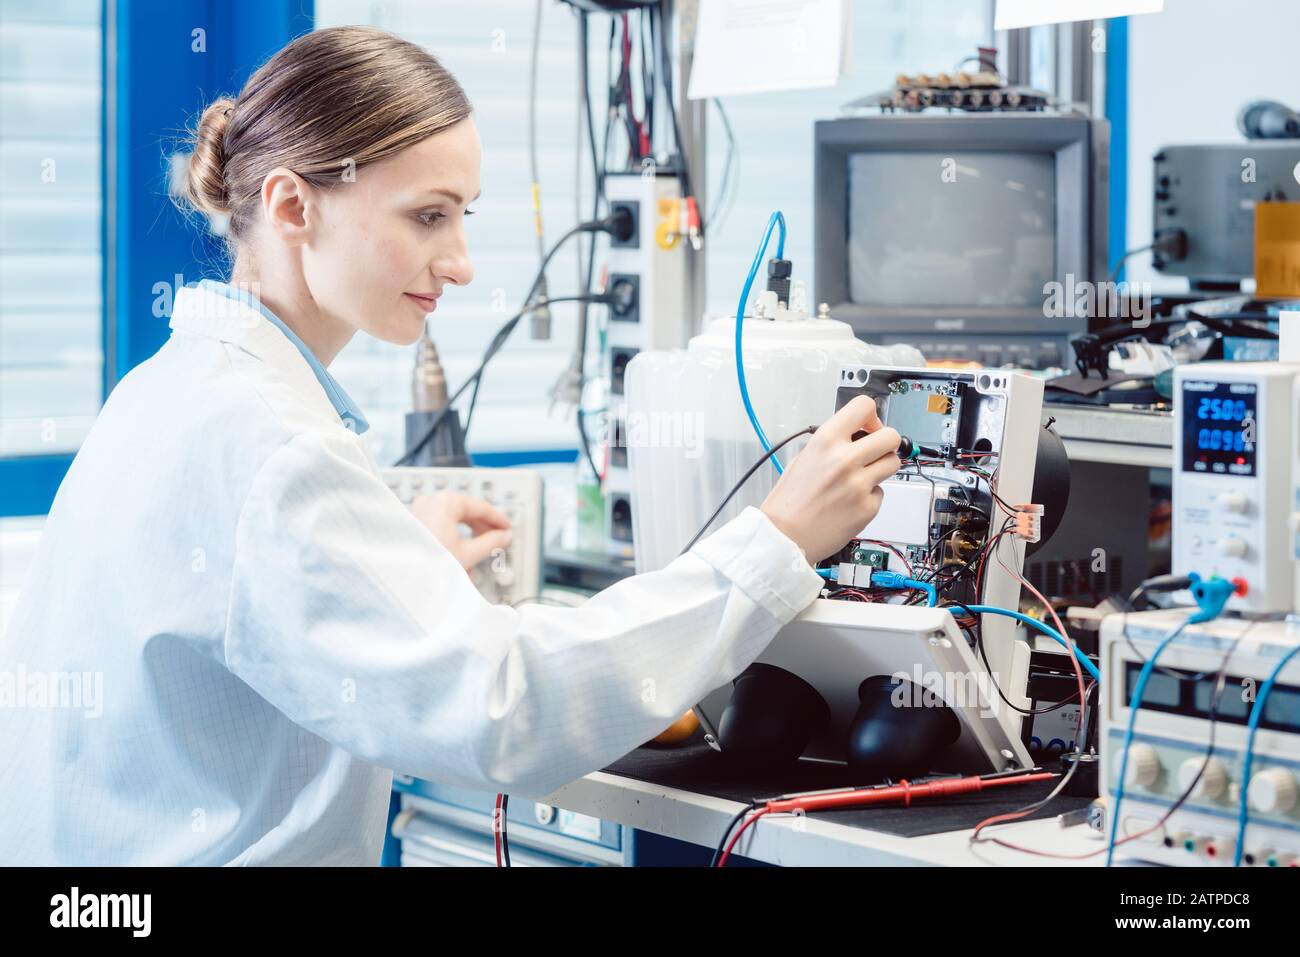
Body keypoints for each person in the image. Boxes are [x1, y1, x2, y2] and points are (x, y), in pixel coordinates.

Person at [0, 26, 900, 865]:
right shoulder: (274, 448)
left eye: (464, 215)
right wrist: (775, 543)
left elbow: (241, 612)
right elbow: (505, 706)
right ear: (291, 204)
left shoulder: (166, 391)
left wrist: (395, 563)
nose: (463, 260)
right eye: (429, 217)